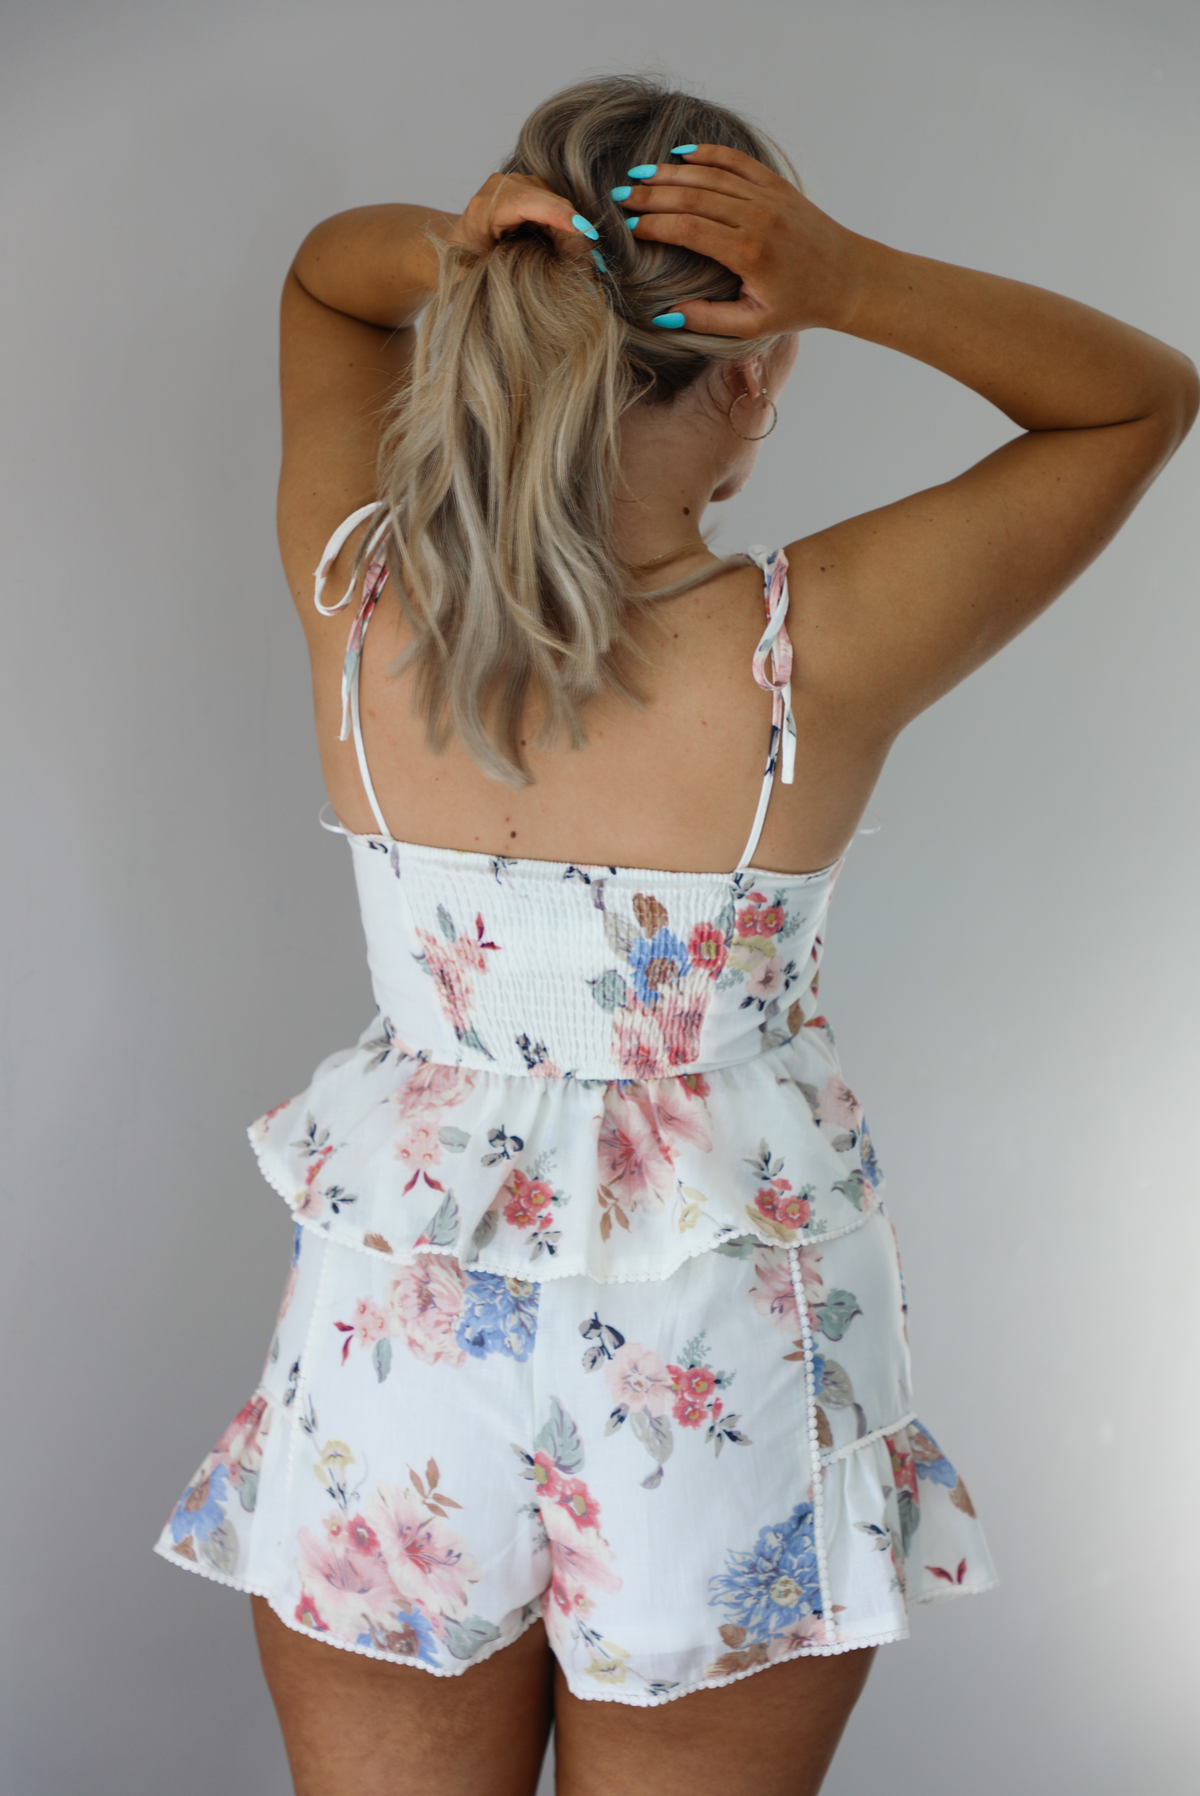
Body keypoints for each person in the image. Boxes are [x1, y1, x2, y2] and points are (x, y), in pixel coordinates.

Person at [154, 73, 1196, 1796]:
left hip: (399, 1339)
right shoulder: (812, 653)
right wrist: (853, 280)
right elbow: (1134, 403)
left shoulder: (361, 602)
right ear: (758, 372)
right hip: (715, 1349)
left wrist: (463, 248)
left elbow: (330, 286)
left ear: (497, 306)